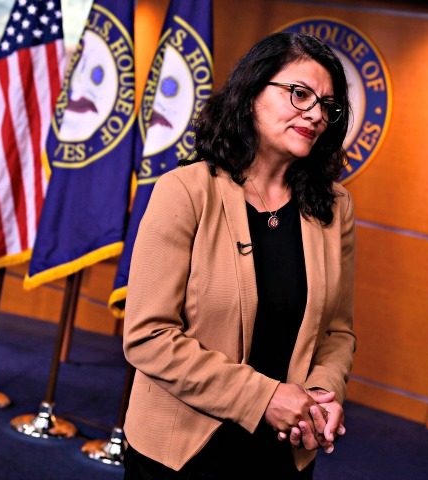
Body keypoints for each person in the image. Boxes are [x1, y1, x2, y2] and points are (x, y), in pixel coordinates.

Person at [122, 32, 356, 479]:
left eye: (327, 105)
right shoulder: (186, 191)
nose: (315, 114)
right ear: (251, 94)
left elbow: (338, 332)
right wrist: (264, 398)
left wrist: (322, 396)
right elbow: (147, 336)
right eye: (299, 94)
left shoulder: (335, 207)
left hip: (282, 453)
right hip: (179, 453)